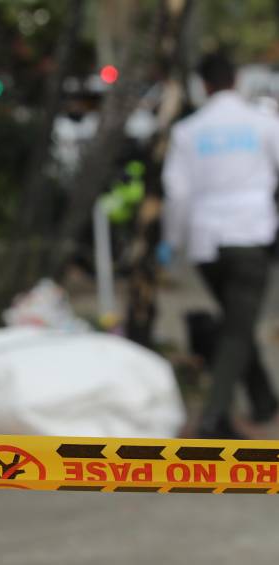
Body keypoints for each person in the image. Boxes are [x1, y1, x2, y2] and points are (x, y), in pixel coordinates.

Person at [161, 52, 279, 439]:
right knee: (237, 329)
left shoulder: (188, 130)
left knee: (237, 322)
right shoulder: (263, 124)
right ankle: (214, 416)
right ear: (236, 80)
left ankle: (263, 401)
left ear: (204, 85)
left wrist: (172, 242)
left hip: (206, 244)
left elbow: (177, 193)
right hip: (251, 237)